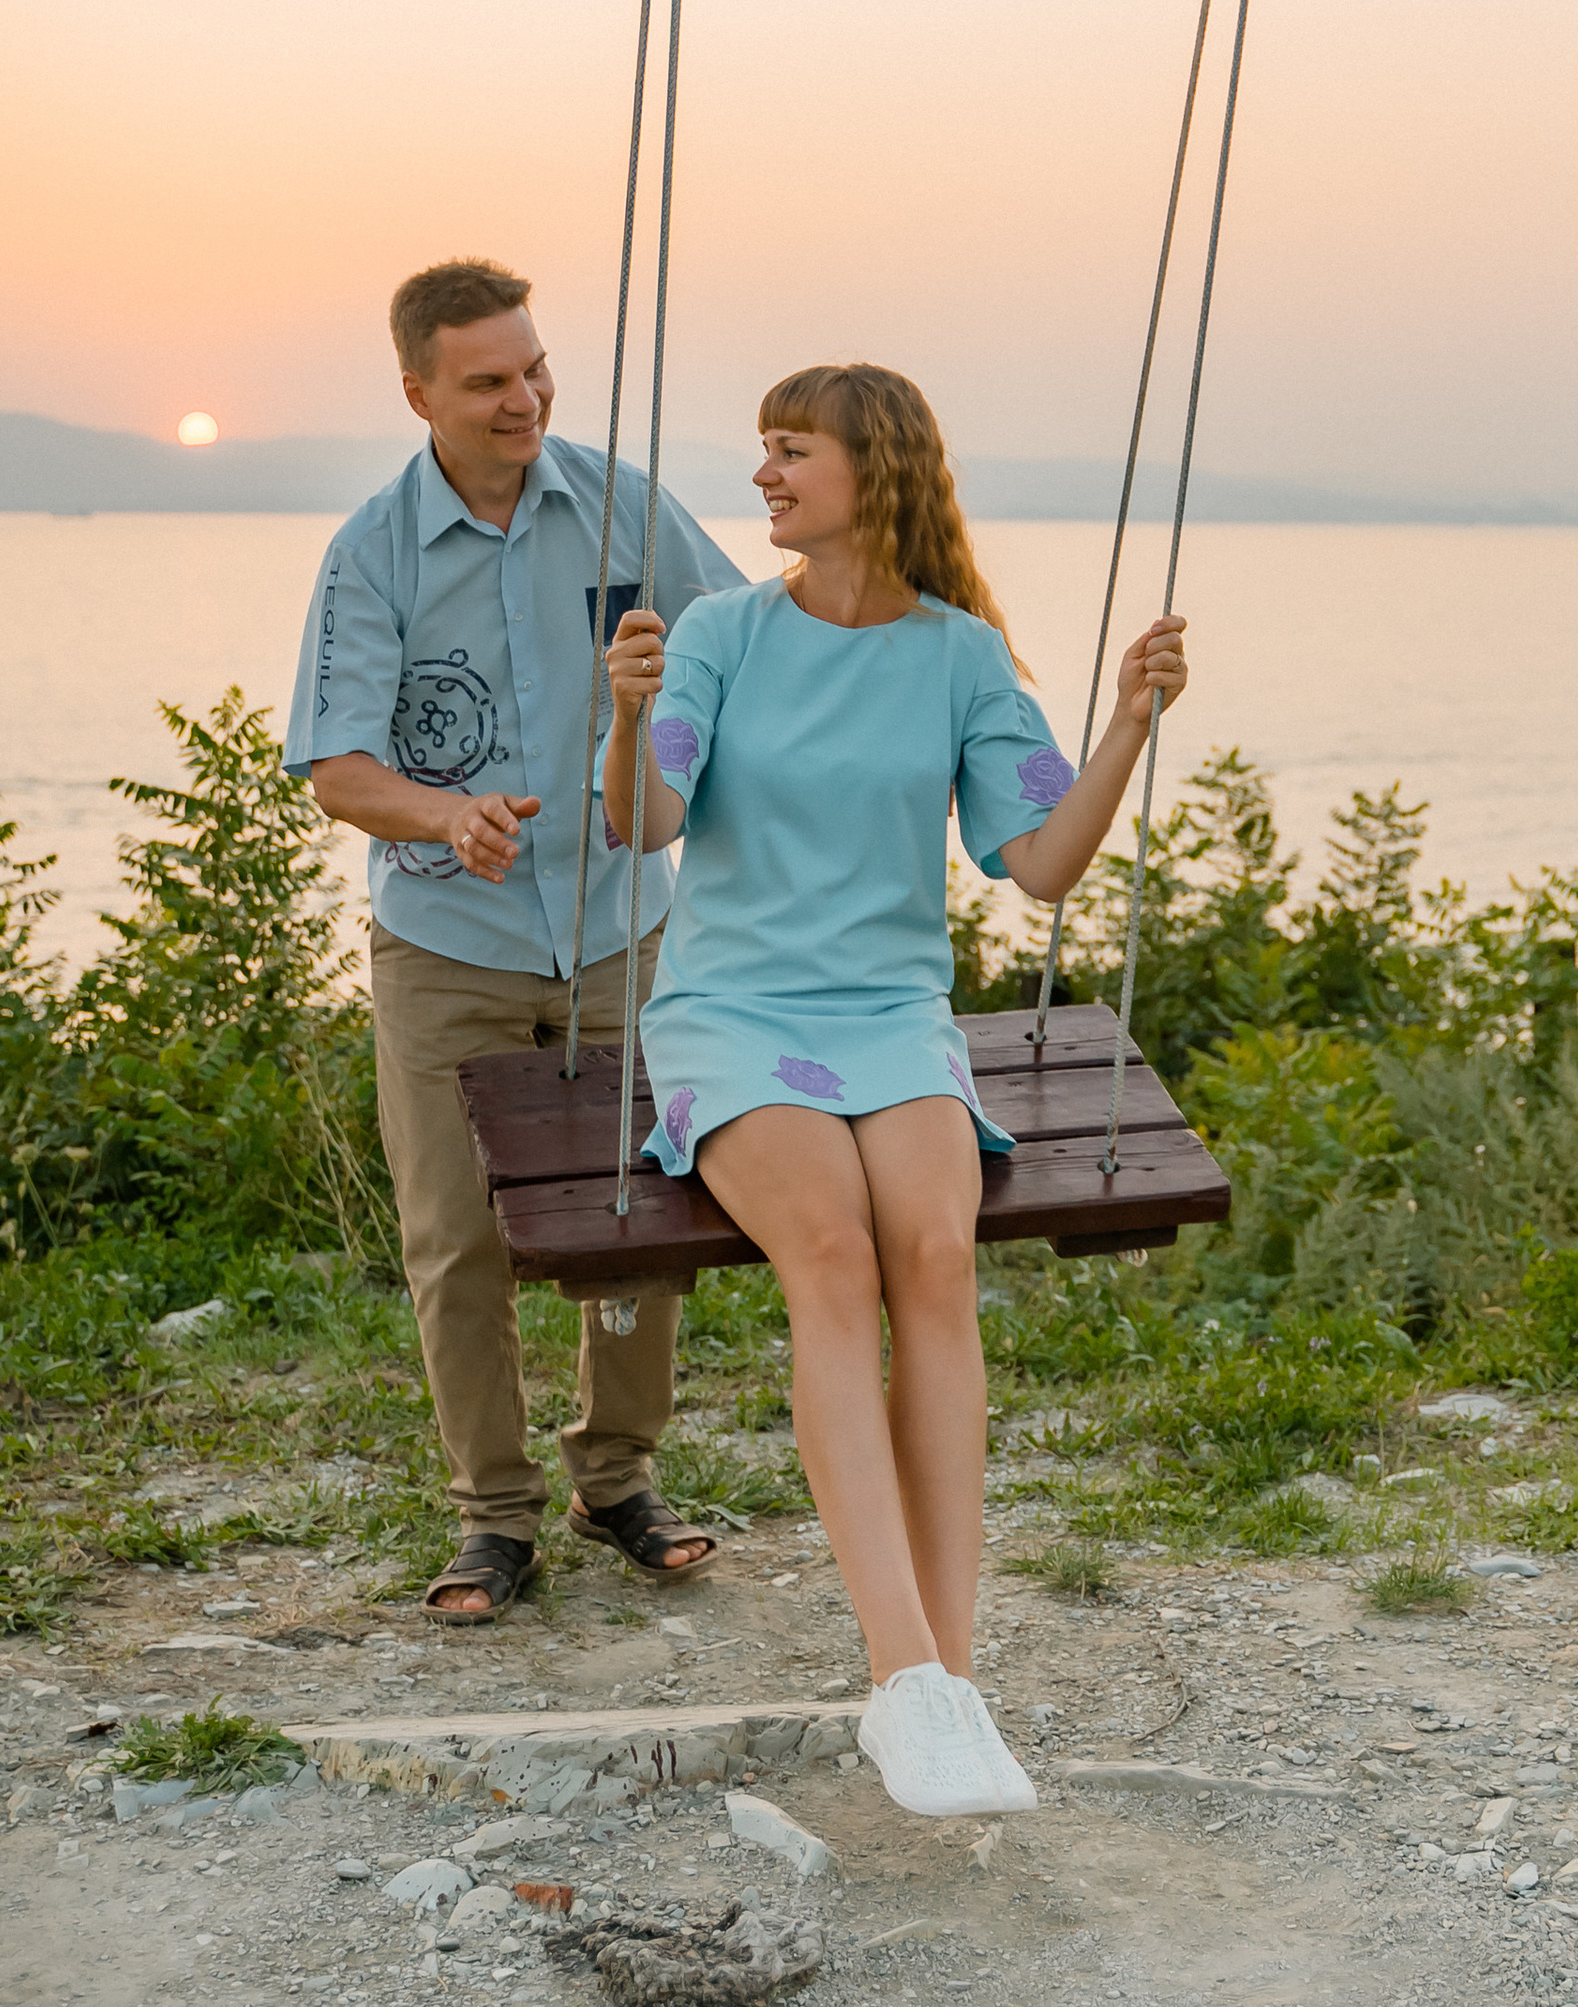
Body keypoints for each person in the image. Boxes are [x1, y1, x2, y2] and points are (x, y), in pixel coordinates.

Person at [599, 361, 1187, 1818]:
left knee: (935, 1257)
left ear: (874, 467)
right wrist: (626, 713)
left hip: (888, 1018)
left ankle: (951, 1683)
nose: (765, 475)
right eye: (765, 449)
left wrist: (1128, 721)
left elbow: (1042, 864)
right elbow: (646, 822)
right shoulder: (721, 635)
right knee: (834, 1253)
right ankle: (903, 1674)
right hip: (734, 1015)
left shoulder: (962, 656)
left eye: (790, 450)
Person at [286, 258, 740, 1621]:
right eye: (488, 380)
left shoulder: (624, 507)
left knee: (643, 1216)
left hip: (622, 935)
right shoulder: (371, 552)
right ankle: (493, 1517)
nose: (525, 398)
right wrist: (447, 815)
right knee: (455, 1241)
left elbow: (745, 646)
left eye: (534, 367)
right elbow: (336, 768)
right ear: (417, 391)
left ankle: (618, 1478)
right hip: (446, 947)